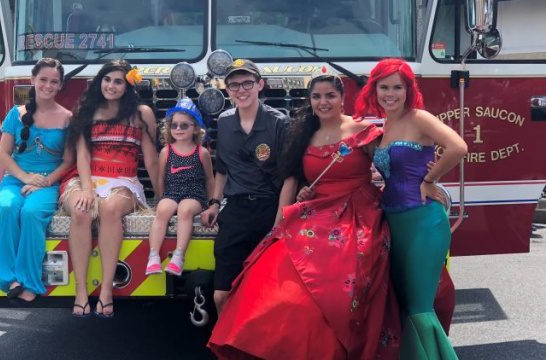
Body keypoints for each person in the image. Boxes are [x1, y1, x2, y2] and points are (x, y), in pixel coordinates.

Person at [208, 75, 401, 359]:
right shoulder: (303, 135)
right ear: (309, 101)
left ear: (342, 98)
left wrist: (426, 184)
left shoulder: (365, 131)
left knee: (338, 294)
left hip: (357, 216)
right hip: (314, 214)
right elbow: (292, 178)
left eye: (330, 96)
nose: (323, 102)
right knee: (272, 281)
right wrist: (294, 205)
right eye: (317, 97)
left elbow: (393, 172)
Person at [355, 58, 467, 359]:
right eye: (384, 87)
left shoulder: (420, 118)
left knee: (419, 308)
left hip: (423, 222)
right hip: (394, 223)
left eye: (397, 87)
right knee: (403, 306)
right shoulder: (387, 123)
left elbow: (458, 146)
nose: (390, 94)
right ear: (374, 89)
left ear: (408, 91)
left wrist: (431, 179)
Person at [60, 59, 158, 317]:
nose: (111, 86)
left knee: (110, 208)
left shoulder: (141, 114)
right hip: (87, 179)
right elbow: (82, 156)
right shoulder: (86, 111)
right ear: (99, 81)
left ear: (128, 86)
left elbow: (150, 159)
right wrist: (87, 189)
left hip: (124, 181)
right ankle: (81, 291)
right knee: (81, 210)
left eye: (118, 81)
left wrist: (162, 196)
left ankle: (106, 291)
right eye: (107, 79)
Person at [199, 59, 289, 313]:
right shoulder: (225, 122)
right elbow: (223, 168)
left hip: (269, 209)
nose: (241, 90)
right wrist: (215, 203)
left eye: (248, 83)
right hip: (237, 211)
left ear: (260, 85)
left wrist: (280, 219)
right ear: (227, 90)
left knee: (267, 295)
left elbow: (290, 176)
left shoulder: (279, 123)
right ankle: (225, 348)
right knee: (221, 296)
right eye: (234, 85)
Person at [0, 58, 72, 303]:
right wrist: (25, 177)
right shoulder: (16, 114)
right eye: (43, 79)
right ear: (33, 80)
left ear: (60, 85)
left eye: (54, 81)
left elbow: (68, 161)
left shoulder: (67, 118)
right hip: (16, 178)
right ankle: (8, 278)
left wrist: (43, 183)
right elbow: (3, 153)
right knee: (6, 207)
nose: (48, 85)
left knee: (32, 213)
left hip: (48, 182)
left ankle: (30, 282)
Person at [145, 98, 214, 276]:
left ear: (196, 128)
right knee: (162, 210)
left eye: (184, 126)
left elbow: (209, 179)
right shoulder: (166, 151)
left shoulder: (202, 152)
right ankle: (153, 256)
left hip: (194, 195)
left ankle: (178, 256)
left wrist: (211, 202)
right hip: (172, 193)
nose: (178, 129)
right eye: (174, 125)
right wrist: (161, 198)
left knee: (184, 210)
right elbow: (161, 178)